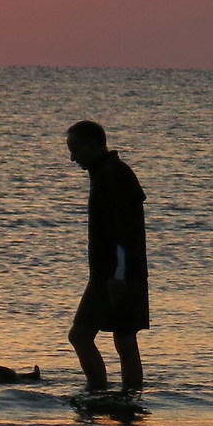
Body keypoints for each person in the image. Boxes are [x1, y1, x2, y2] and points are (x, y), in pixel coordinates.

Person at [63, 119, 148, 394]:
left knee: (80, 335)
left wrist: (118, 274)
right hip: (119, 272)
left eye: (75, 148)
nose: (72, 157)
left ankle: (98, 393)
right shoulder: (108, 172)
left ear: (91, 144)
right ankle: (129, 400)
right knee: (124, 337)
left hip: (114, 274)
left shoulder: (113, 174)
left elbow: (123, 231)